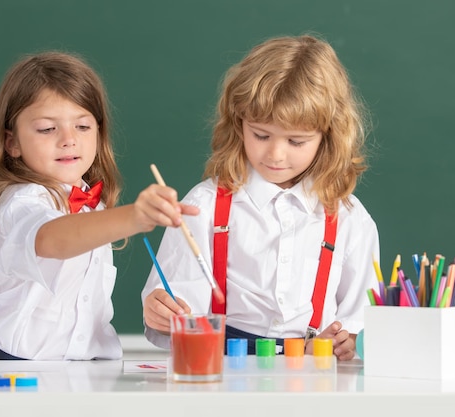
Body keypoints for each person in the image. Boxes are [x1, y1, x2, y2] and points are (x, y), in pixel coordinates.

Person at [141, 34, 380, 361]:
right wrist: (162, 311)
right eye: (261, 135)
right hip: (222, 369)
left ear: (329, 137)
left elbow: (361, 323)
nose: (276, 154)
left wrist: (346, 340)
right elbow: (177, 305)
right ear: (239, 123)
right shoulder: (206, 204)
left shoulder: (349, 218)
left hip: (313, 377)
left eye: (296, 141)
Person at [0, 51, 198, 360]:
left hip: (88, 369)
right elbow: (51, 238)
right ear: (12, 142)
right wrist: (135, 216)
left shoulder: (90, 205)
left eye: (83, 127)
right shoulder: (19, 203)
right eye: (47, 129)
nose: (68, 139)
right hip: (21, 373)